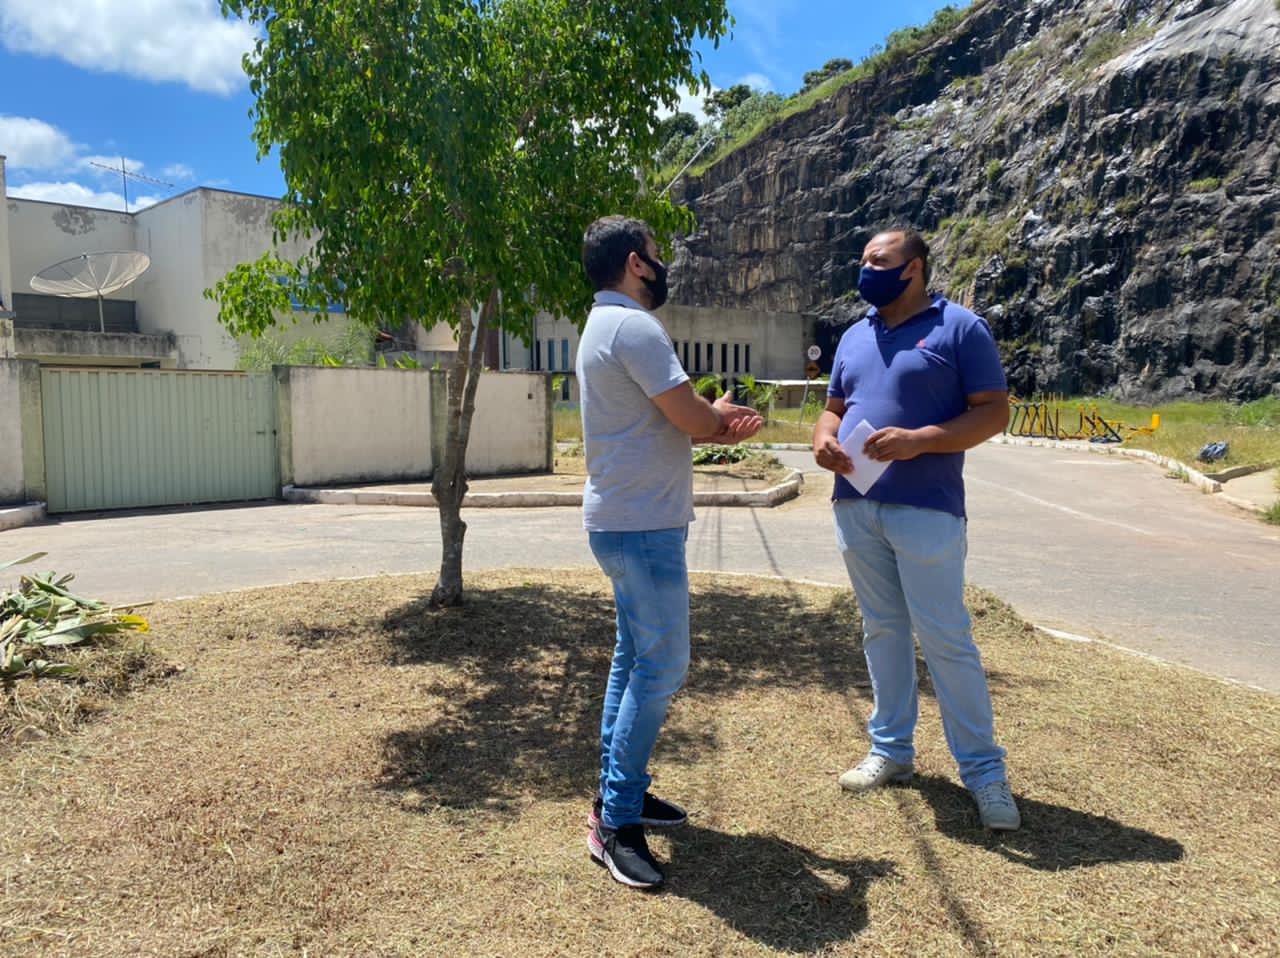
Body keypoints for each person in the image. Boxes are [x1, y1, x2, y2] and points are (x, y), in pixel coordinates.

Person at [812, 227, 1021, 831]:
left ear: (915, 268)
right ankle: (891, 751)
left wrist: (920, 441)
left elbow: (994, 411)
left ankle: (984, 773)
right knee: (882, 630)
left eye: (879, 260)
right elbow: (833, 409)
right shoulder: (855, 334)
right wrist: (823, 440)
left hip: (928, 508)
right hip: (856, 505)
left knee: (946, 638)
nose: (866, 270)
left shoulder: (960, 329)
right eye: (862, 260)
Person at [577, 215, 763, 888]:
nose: (662, 266)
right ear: (635, 262)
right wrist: (722, 421)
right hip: (643, 526)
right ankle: (616, 822)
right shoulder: (636, 328)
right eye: (656, 255)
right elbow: (690, 419)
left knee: (634, 658)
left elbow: (671, 414)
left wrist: (707, 416)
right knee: (661, 666)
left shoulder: (602, 325)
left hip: (625, 521)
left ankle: (618, 792)